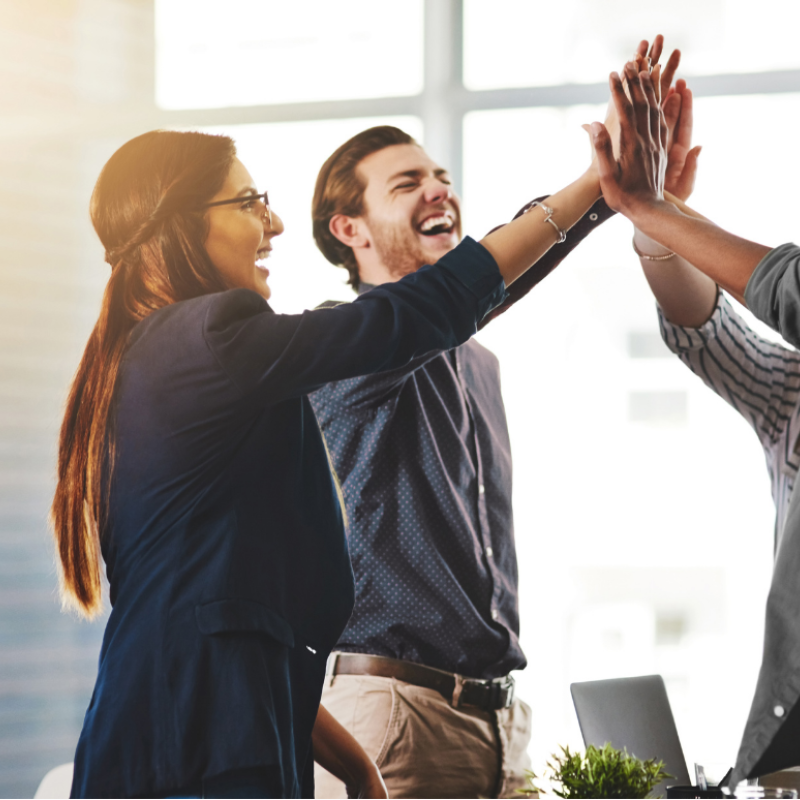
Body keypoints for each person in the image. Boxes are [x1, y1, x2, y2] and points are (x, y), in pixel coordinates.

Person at [52, 128, 613, 799]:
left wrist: (355, 764)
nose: (274, 223)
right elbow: (420, 312)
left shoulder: (166, 363)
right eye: (249, 203)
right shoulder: (205, 341)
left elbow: (239, 625)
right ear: (179, 222)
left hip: (205, 733)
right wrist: (591, 191)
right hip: (195, 747)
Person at [307, 39, 676, 798]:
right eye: (408, 183)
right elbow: (479, 283)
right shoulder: (339, 348)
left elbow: (472, 298)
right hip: (391, 715)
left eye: (442, 177)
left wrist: (628, 200)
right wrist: (600, 194)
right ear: (351, 230)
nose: (438, 191)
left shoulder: (478, 365)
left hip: (496, 723)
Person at [590, 57, 800, 789]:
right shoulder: (793, 394)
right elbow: (707, 330)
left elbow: (792, 292)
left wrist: (659, 210)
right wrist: (659, 227)